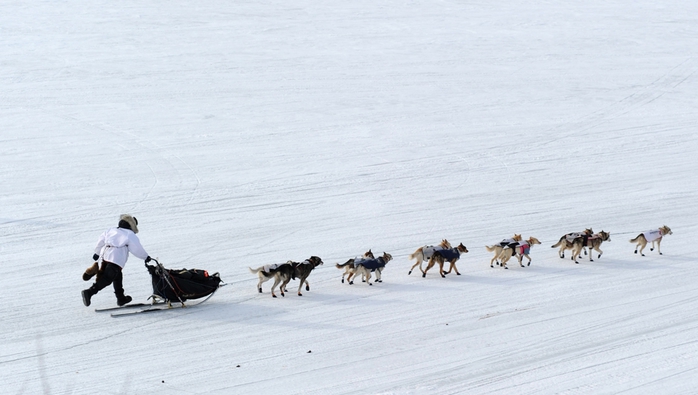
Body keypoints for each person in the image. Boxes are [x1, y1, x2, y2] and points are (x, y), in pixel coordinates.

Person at [81, 214, 152, 307]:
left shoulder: (111, 230)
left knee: (117, 276)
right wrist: (145, 257)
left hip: (104, 256)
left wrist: (97, 253)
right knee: (108, 278)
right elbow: (136, 248)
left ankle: (121, 298)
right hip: (115, 258)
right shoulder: (129, 234)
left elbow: (101, 241)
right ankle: (89, 292)